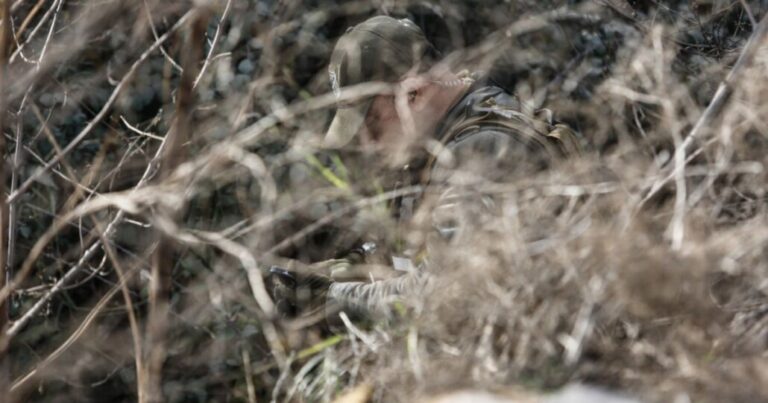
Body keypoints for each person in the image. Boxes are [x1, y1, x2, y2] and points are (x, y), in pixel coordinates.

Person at [268, 15, 581, 322]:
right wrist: (341, 271)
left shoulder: (482, 153)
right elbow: (417, 252)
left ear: (413, 93)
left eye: (372, 123)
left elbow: (448, 296)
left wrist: (332, 297)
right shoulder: (451, 136)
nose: (368, 144)